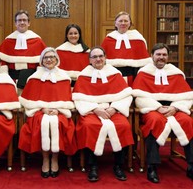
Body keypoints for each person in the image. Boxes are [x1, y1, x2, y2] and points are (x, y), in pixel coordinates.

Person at [132, 43, 193, 183]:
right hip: (152, 109)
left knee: (188, 121)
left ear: (168, 56)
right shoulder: (144, 73)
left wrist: (176, 108)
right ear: (152, 56)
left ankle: (191, 165)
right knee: (155, 121)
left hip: (175, 108)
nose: (161, 57)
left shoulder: (175, 72)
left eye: (164, 55)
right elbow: (139, 97)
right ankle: (152, 166)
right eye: (158, 54)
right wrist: (157, 107)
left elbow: (187, 96)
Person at [72, 46, 134, 182]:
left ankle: (118, 165)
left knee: (123, 126)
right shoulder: (83, 75)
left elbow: (126, 95)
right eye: (94, 57)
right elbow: (78, 98)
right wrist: (95, 109)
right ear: (89, 60)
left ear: (105, 58)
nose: (98, 59)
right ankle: (92, 165)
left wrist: (115, 108)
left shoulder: (115, 73)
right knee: (89, 126)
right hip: (92, 111)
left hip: (113, 110)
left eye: (101, 56)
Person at [18, 47, 77, 178]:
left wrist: (58, 109)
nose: (49, 60)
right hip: (38, 111)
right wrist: (42, 108)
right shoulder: (34, 78)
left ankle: (55, 159)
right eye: (46, 57)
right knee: (40, 122)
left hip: (60, 112)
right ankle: (45, 159)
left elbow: (67, 99)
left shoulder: (64, 77)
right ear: (41, 60)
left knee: (60, 123)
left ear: (57, 60)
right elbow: (27, 100)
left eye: (52, 57)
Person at [0, 10, 47, 90]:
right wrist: (5, 78)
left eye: (24, 20)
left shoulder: (37, 41)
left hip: (31, 80)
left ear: (29, 23)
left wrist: (37, 77)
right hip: (12, 79)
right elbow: (2, 61)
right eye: (19, 20)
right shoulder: (8, 41)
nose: (22, 22)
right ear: (15, 23)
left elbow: (43, 62)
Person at [101, 11, 151, 86]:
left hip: (133, 74)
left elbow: (143, 60)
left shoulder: (138, 38)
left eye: (126, 21)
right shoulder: (108, 39)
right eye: (120, 21)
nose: (123, 23)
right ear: (115, 23)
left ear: (130, 23)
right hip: (112, 74)